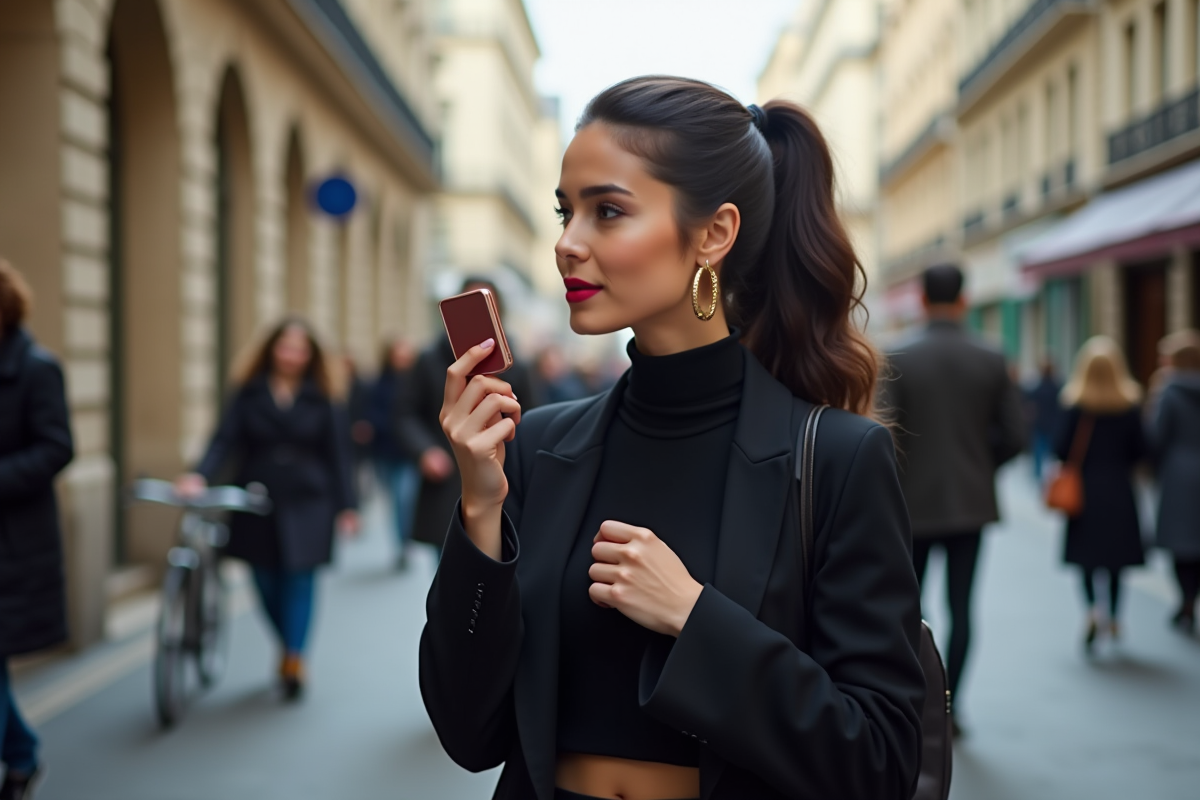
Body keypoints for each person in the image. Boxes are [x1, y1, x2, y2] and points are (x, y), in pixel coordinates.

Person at [420, 78, 924, 800]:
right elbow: (470, 734)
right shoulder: (538, 449)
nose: (568, 244)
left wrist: (694, 617)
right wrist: (478, 510)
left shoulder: (836, 460)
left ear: (714, 234)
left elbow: (880, 762)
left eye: (609, 211)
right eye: (566, 213)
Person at [176, 318, 357, 700]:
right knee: (263, 578)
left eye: (299, 348)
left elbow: (340, 453)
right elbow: (223, 440)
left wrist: (348, 506)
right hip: (257, 496)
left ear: (310, 355)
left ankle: (294, 657)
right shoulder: (249, 391)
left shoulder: (323, 394)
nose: (291, 355)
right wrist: (199, 476)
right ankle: (288, 643)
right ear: (272, 349)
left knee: (300, 578)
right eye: (285, 346)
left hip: (310, 499)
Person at [882, 263, 1025, 735]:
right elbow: (1017, 435)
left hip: (910, 505)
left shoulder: (900, 354)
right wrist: (982, 466)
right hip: (970, 502)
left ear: (922, 300)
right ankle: (952, 706)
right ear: (963, 299)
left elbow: (883, 433)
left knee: (909, 609)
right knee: (962, 607)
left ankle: (912, 702)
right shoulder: (990, 356)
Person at [393, 277, 538, 562]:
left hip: (502, 479)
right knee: (448, 568)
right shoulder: (430, 360)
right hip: (447, 477)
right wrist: (426, 451)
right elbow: (404, 413)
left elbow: (532, 418)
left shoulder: (515, 365)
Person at [0, 260, 73, 800]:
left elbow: (57, 446)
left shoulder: (38, 368)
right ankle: (22, 753)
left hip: (14, 540)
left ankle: (22, 757)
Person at [1055, 336, 1145, 651]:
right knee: (1117, 560)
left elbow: (1061, 449)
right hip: (1120, 490)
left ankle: (1093, 609)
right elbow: (1141, 452)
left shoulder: (1076, 405)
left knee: (1087, 558)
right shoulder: (1130, 406)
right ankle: (1116, 617)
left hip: (1085, 492)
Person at [1148, 330, 1200, 633]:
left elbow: (1157, 437)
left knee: (1181, 543)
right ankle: (1192, 598)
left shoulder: (1168, 391)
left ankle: (1186, 598)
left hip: (1178, 475)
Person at [371, 337, 421, 570]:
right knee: (393, 501)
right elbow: (370, 411)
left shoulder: (415, 381)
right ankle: (399, 543)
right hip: (384, 451)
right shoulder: (379, 383)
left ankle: (405, 543)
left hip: (407, 454)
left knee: (404, 499)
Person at [1026, 359, 1063, 483]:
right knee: (1050, 454)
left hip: (1040, 424)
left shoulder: (1037, 388)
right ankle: (1049, 478)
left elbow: (1030, 406)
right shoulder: (1058, 388)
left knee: (1038, 452)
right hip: (1053, 424)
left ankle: (1038, 477)